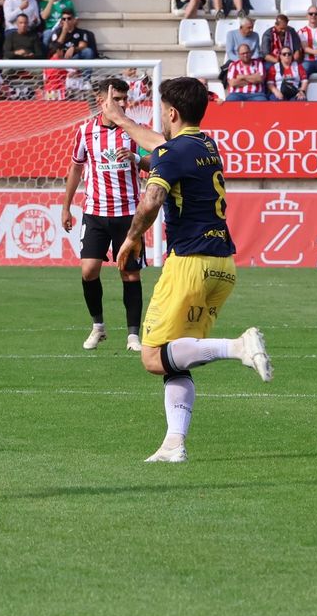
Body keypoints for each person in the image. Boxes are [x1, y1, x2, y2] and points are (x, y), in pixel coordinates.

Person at [96, 76, 270, 463]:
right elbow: (158, 146)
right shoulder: (205, 144)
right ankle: (174, 444)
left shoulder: (171, 153)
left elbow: (152, 199)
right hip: (222, 265)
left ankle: (238, 347)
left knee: (153, 357)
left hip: (189, 263)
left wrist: (132, 238)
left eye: (161, 111)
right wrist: (123, 121)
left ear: (171, 113)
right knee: (178, 356)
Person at [60, 75, 145, 351]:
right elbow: (75, 168)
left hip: (129, 214)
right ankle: (98, 326)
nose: (121, 104)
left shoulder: (136, 130)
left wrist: (136, 158)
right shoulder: (85, 131)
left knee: (130, 274)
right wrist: (66, 206)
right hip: (95, 212)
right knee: (88, 270)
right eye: (115, 99)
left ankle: (133, 334)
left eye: (124, 99)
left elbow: (155, 159)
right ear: (101, 101)